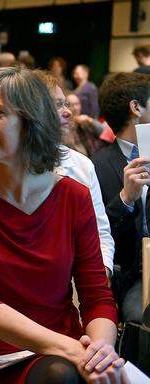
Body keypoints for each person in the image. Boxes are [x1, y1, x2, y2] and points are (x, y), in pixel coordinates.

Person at [0, 66, 123, 383]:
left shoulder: (72, 196)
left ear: (32, 122)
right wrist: (72, 350)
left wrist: (100, 351)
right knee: (59, 375)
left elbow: (97, 299)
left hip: (63, 353)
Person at [93, 72, 150, 323]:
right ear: (136, 108)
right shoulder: (98, 165)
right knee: (140, 315)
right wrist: (126, 198)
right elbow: (96, 234)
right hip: (135, 272)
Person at [66, 92, 107, 158]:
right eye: (71, 105)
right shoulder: (66, 127)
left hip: (98, 157)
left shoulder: (86, 120)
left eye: (77, 104)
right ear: (66, 108)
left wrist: (90, 121)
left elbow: (103, 132)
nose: (75, 108)